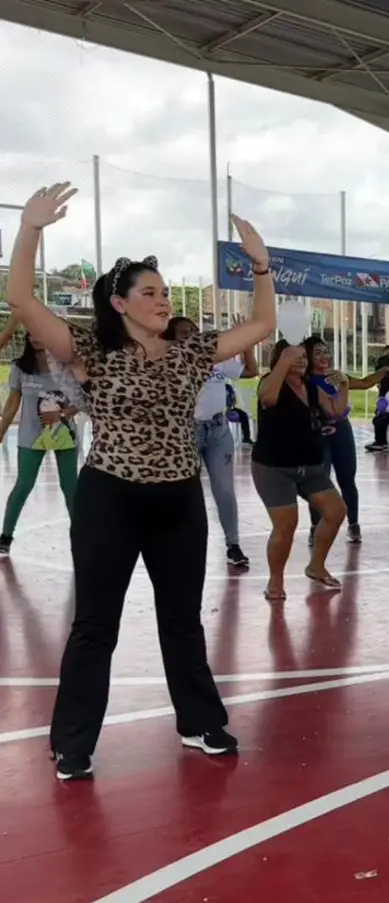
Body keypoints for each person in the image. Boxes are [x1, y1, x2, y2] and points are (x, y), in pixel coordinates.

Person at [5, 182, 276, 780]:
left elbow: (261, 324)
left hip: (178, 500)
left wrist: (260, 266)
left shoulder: (190, 351)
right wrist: (30, 229)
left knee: (182, 619)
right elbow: (20, 298)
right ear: (120, 303)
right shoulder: (90, 350)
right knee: (95, 624)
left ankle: (198, 721)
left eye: (165, 290)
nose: (163, 299)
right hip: (111, 499)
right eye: (149, 292)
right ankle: (72, 741)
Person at [251, 339, 348, 601]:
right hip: (274, 467)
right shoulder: (271, 382)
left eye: (304, 356)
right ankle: (275, 581)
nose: (302, 359)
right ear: (280, 358)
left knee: (336, 511)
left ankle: (316, 565)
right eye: (295, 355)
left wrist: (344, 386)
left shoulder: (312, 387)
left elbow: (336, 411)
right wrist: (283, 362)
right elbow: (267, 399)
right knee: (286, 525)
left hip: (310, 466)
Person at [178, 315, 255, 569]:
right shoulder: (172, 362)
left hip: (218, 430)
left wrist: (246, 342)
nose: (190, 334)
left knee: (224, 489)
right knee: (185, 490)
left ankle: (233, 544)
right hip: (187, 430)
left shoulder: (216, 360)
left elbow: (251, 370)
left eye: (193, 329)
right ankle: (183, 544)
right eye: (182, 332)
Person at [0, 333, 86, 555]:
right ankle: (5, 536)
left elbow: (83, 400)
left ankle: (82, 538)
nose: (36, 336)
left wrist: (63, 414)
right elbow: (12, 403)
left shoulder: (66, 367)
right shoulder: (20, 367)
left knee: (70, 487)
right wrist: (2, 429)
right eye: (32, 332)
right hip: (31, 436)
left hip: (64, 436)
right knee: (24, 484)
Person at [305, 336, 388, 546]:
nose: (324, 356)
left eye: (326, 351)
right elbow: (331, 410)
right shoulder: (305, 381)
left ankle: (353, 523)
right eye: (317, 352)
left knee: (347, 478)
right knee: (318, 482)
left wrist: (385, 371)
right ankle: (315, 526)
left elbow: (366, 383)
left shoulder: (336, 376)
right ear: (308, 357)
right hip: (318, 434)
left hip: (341, 432)